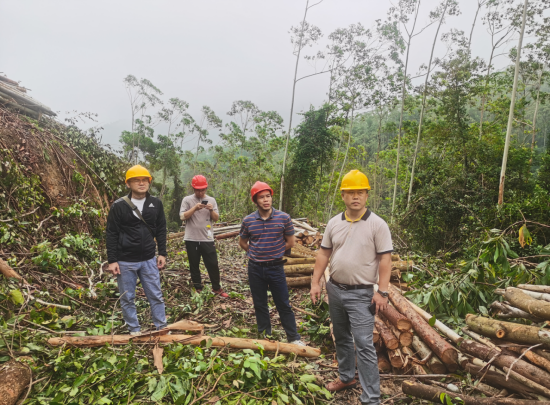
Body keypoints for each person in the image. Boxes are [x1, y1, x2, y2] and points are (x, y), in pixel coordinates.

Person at [310, 170, 393, 405]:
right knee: (342, 336)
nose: (355, 197)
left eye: (360, 192)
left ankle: (371, 399)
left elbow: (386, 260)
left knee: (365, 344)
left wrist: (382, 292)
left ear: (367, 195)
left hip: (362, 294)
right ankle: (347, 377)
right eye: (350, 192)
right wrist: (316, 282)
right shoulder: (334, 222)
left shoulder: (378, 225)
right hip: (334, 289)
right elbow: (324, 253)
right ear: (343, 195)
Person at [238, 181, 304, 346]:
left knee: (283, 303)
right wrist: (254, 253)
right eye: (262, 197)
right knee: (260, 304)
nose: (266, 200)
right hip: (255, 268)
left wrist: (275, 252)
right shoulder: (248, 221)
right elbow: (243, 242)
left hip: (276, 267)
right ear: (255, 200)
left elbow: (291, 242)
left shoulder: (283, 218)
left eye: (268, 196)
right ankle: (264, 337)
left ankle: (294, 338)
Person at [106, 165, 168, 335]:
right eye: (136, 180)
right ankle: (134, 330)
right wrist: (112, 260)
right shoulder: (119, 206)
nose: (141, 183)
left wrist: (162, 252)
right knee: (127, 297)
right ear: (128, 184)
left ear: (149, 182)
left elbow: (161, 229)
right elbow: (111, 233)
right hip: (125, 260)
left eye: (144, 180)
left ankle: (161, 328)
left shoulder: (155, 203)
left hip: (148, 259)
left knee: (156, 295)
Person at [179, 175, 228, 298]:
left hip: (207, 238)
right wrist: (194, 208)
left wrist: (211, 210)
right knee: (194, 264)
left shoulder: (211, 200)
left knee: (212, 263)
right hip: (191, 238)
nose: (200, 192)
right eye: (197, 190)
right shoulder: (187, 200)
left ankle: (216, 287)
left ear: (206, 188)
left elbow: (216, 219)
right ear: (193, 189)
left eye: (203, 190)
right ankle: (198, 287)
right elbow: (182, 217)